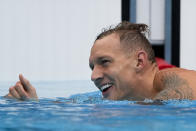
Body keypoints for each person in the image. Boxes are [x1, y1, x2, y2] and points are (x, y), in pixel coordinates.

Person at [4, 21, 196, 101]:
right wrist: (32, 103)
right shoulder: (120, 98)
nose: (94, 75)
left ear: (139, 61)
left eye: (105, 62)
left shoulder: (175, 80)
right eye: (92, 67)